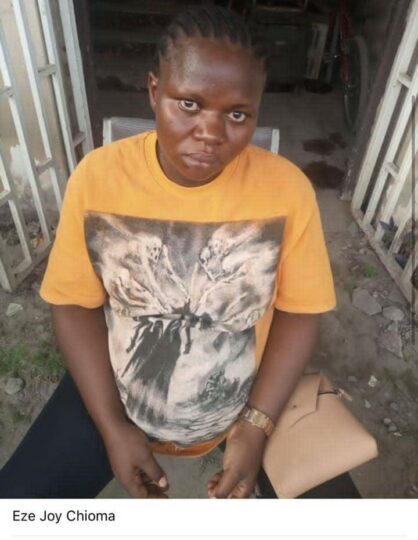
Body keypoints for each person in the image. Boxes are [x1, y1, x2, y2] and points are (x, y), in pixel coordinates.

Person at [0, 5, 360, 499]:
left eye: (237, 114)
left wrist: (256, 425)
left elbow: (300, 312)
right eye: (189, 104)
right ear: (154, 92)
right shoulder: (98, 178)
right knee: (18, 506)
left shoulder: (287, 190)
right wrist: (112, 426)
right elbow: (73, 305)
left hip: (247, 397)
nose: (211, 133)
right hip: (118, 390)